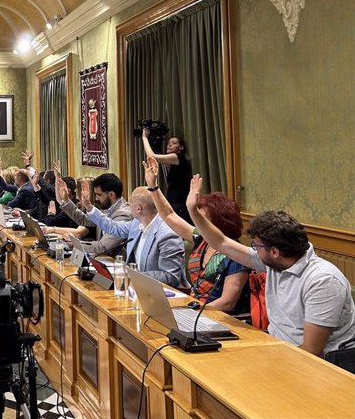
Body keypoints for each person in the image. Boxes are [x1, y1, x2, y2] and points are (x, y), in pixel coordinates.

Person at [186, 174, 355, 356]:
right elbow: (222, 243)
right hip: (277, 348)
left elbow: (311, 351)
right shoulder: (275, 263)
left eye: (256, 246)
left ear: (274, 251)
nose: (254, 250)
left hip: (322, 364)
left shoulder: (322, 281)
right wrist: (193, 210)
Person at [144, 157, 249, 312]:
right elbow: (169, 216)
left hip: (219, 319)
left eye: (202, 219)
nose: (198, 223)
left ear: (219, 222)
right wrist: (153, 187)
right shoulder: (202, 239)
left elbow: (228, 302)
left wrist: (191, 311)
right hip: (193, 310)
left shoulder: (237, 254)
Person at [80, 181, 187, 288]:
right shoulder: (136, 224)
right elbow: (113, 227)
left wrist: (130, 275)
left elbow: (170, 277)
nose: (127, 206)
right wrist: (88, 207)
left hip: (164, 294)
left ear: (138, 209)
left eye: (130, 202)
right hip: (137, 287)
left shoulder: (167, 235)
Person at [55, 173, 133, 258]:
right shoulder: (106, 207)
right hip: (100, 259)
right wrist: (66, 200)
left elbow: (103, 246)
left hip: (116, 265)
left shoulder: (124, 214)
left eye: (99, 195)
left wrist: (74, 243)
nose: (96, 198)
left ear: (111, 195)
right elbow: (84, 220)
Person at [142, 130, 192, 223]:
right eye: (169, 143)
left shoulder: (178, 157)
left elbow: (152, 156)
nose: (169, 145)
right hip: (176, 202)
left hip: (180, 204)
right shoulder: (176, 161)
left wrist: (144, 137)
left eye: (174, 143)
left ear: (181, 147)